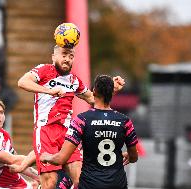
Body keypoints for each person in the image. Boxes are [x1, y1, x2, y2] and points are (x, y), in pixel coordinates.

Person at [17, 45, 125, 189]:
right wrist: (48, 91)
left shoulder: (74, 81)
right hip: (46, 131)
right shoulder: (44, 70)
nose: (67, 59)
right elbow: (22, 82)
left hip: (67, 135)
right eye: (64, 54)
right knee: (50, 183)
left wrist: (112, 89)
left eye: (71, 56)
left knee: (82, 180)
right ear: (53, 57)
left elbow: (93, 99)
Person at [40, 75, 138, 189]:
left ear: (94, 91)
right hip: (117, 184)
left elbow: (61, 158)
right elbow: (134, 157)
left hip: (90, 184)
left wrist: (47, 157)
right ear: (112, 94)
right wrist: (129, 155)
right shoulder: (125, 121)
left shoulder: (82, 120)